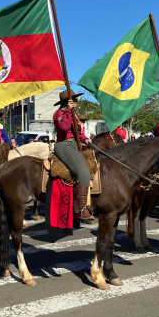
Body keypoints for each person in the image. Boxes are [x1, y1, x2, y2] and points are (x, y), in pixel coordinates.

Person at [52, 89, 94, 223]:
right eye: (73, 100)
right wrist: (69, 112)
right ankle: (82, 210)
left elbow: (77, 132)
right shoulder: (59, 114)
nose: (75, 102)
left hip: (75, 145)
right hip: (64, 145)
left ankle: (75, 209)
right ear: (67, 102)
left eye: (75, 100)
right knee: (83, 172)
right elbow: (64, 128)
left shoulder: (74, 115)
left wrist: (85, 138)